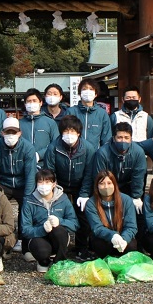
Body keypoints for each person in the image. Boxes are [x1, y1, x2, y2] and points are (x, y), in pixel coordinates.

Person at [43, 115, 95, 258]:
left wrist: (84, 193)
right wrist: (55, 191)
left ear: (79, 133)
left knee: (83, 216)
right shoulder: (53, 147)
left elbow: (89, 173)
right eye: (66, 131)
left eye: (73, 132)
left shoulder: (88, 148)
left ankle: (81, 248)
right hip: (60, 185)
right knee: (57, 214)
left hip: (80, 185)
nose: (69, 135)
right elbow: (49, 170)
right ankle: (57, 247)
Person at [20, 168, 78, 272]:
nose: (43, 185)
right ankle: (43, 261)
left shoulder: (63, 199)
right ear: (36, 183)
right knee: (42, 251)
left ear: (54, 184)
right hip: (38, 238)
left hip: (58, 238)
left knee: (59, 231)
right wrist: (42, 229)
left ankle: (60, 262)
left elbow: (75, 224)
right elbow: (25, 229)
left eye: (47, 182)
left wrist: (60, 221)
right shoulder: (29, 201)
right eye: (40, 182)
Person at [80, 122, 147, 203]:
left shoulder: (138, 152)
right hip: (107, 185)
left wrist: (136, 196)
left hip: (128, 185)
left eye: (126, 138)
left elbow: (138, 176)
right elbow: (99, 177)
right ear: (114, 138)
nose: (123, 141)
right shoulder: (102, 153)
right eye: (119, 137)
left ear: (131, 139)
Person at [83, 170, 138, 258]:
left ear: (114, 185)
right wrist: (113, 235)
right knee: (99, 244)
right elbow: (97, 228)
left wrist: (124, 239)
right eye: (102, 183)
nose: (106, 187)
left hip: (122, 236)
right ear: (97, 186)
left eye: (109, 183)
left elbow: (131, 226)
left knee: (131, 245)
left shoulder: (126, 200)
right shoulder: (91, 203)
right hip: (104, 238)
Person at [0, 117, 37, 201]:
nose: (11, 135)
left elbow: (30, 175)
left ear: (20, 133)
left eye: (14, 132)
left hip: (22, 185)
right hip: (3, 185)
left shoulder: (28, 148)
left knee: (27, 207)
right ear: (2, 133)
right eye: (7, 132)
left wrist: (27, 197)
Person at [63, 79, 112, 150]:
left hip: (95, 155)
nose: (88, 91)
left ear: (96, 94)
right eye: (84, 89)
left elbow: (106, 138)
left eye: (91, 89)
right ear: (80, 93)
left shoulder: (102, 114)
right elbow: (64, 133)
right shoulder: (71, 111)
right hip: (74, 155)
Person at [19, 88, 59, 166]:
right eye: (29, 101)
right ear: (25, 104)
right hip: (23, 165)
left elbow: (56, 144)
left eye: (34, 101)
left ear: (40, 103)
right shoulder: (19, 123)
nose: (31, 103)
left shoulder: (50, 122)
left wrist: (39, 155)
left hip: (44, 165)